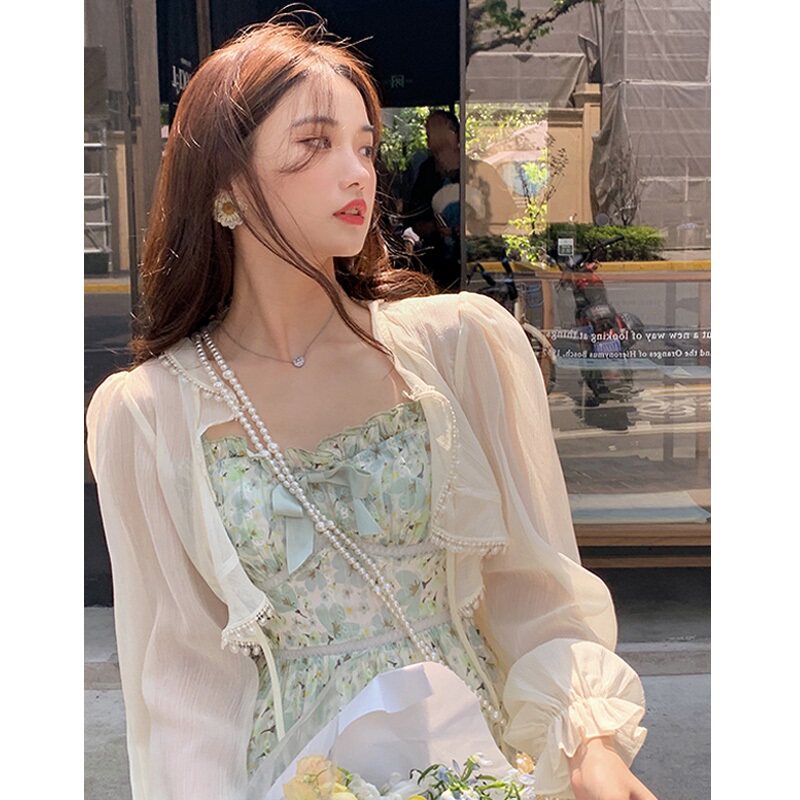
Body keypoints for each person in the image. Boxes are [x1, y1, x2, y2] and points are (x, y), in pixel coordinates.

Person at [85, 17, 658, 800]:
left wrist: (589, 743)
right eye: (315, 144)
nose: (357, 172)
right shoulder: (150, 413)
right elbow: (185, 685)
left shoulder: (459, 348)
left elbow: (534, 589)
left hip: (479, 765)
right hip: (293, 778)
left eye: (363, 145)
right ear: (224, 184)